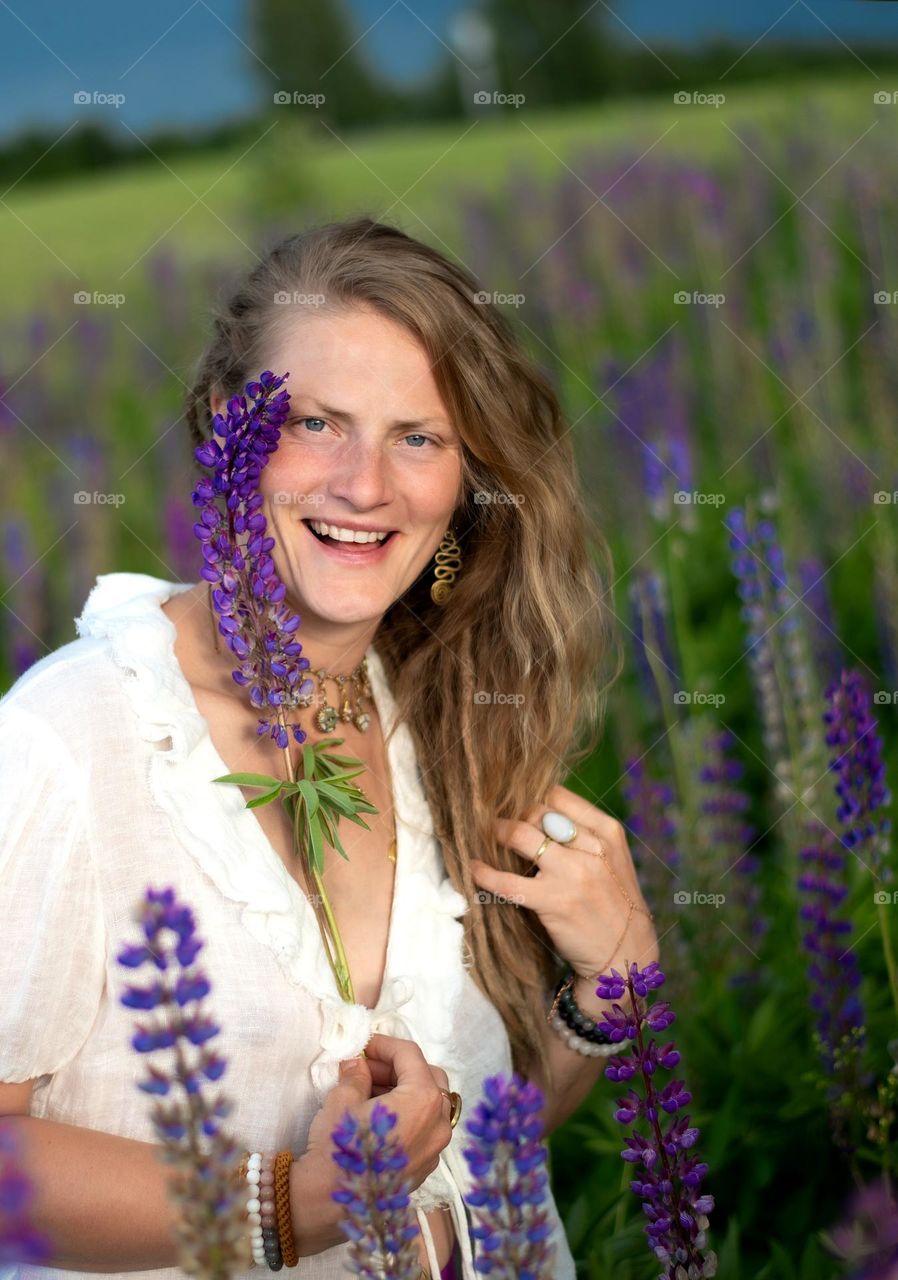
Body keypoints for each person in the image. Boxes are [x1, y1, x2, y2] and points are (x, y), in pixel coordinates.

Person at [0, 217, 659, 1279]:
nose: (365, 485)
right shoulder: (66, 737)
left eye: (419, 436)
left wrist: (606, 988)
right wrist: (281, 1204)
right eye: (317, 421)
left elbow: (477, 1141)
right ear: (229, 426)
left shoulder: (449, 711)